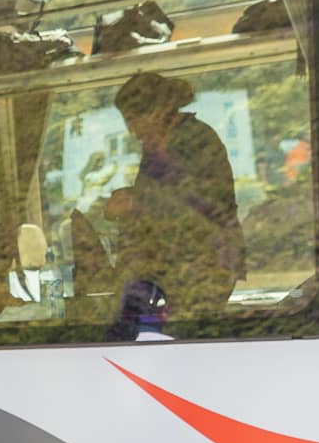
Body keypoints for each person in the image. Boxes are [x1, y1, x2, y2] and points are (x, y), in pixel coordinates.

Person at [101, 71, 244, 324]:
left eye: (133, 119)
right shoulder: (155, 147)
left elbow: (199, 203)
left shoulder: (197, 139)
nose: (131, 130)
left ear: (156, 111)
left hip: (204, 266)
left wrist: (135, 204)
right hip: (171, 270)